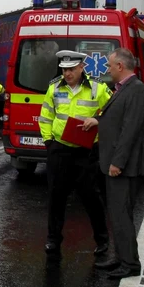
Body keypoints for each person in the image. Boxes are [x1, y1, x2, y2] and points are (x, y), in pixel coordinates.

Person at [82, 48, 144, 279]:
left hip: (123, 166)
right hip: (114, 163)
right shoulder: (123, 89)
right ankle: (120, 257)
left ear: (120, 66)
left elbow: (129, 130)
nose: (108, 70)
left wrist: (117, 162)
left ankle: (130, 264)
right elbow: (116, 118)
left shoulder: (136, 90)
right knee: (117, 215)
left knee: (122, 215)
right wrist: (97, 120)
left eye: (110, 66)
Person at [38, 50, 111, 259]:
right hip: (59, 149)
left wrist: (99, 121)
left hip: (86, 152)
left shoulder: (98, 89)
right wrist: (48, 142)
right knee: (56, 196)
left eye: (71, 70)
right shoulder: (54, 88)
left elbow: (113, 111)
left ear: (81, 68)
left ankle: (102, 240)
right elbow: (46, 117)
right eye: (64, 70)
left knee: (91, 197)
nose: (67, 74)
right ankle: (53, 240)